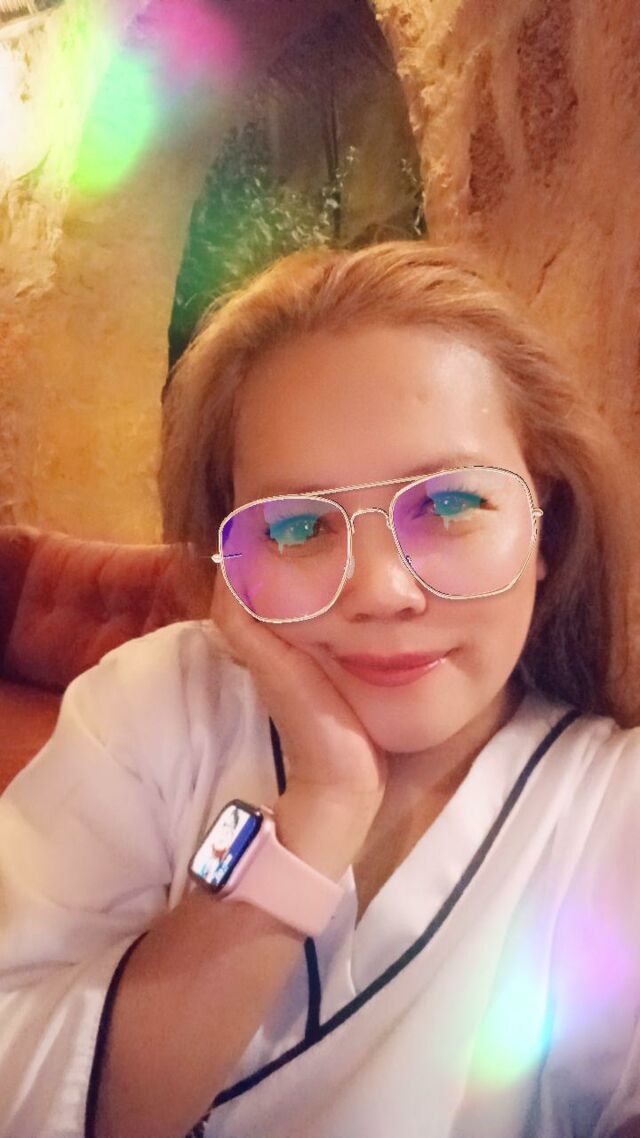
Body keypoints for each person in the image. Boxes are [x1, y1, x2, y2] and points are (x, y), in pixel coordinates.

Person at [0, 241, 638, 1138]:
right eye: (297, 527)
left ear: (547, 527)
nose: (380, 590)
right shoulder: (156, 705)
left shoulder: (615, 810)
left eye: (451, 505)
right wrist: (321, 808)